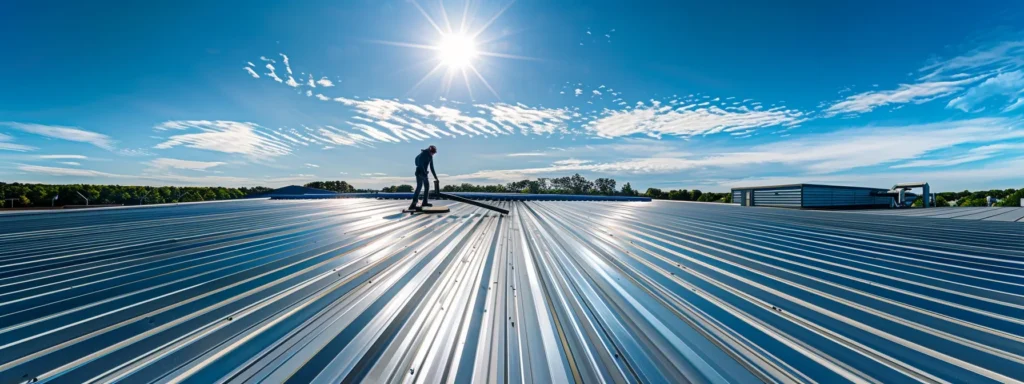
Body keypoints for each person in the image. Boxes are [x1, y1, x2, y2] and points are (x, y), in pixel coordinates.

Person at [409, 145, 438, 210]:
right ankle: (413, 204)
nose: (433, 154)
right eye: (432, 152)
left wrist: (435, 177)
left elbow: (431, 167)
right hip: (419, 172)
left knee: (427, 186)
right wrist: (424, 172)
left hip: (424, 173)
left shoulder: (430, 156)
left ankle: (425, 202)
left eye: (434, 153)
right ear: (430, 150)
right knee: (419, 187)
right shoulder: (423, 154)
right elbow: (420, 164)